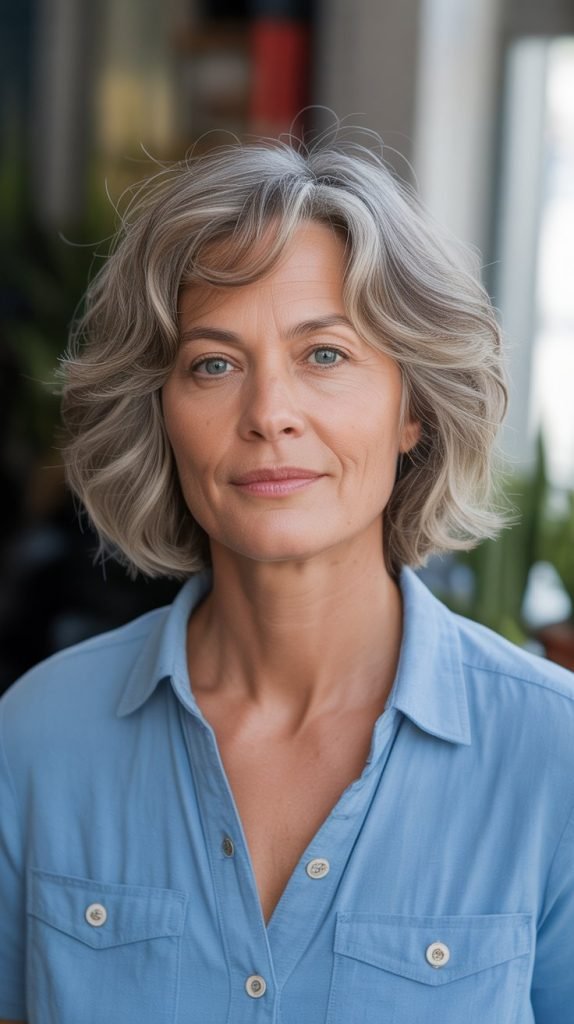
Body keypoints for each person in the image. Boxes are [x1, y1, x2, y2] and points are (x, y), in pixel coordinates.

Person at [1, 134, 573, 1024]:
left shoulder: (552, 755)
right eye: (214, 365)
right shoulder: (34, 739)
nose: (269, 414)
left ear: (412, 407)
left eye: (326, 355)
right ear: (160, 412)